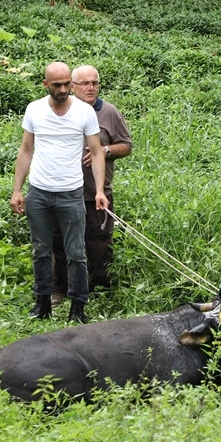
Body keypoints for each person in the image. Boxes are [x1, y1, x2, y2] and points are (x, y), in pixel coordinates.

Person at [10, 61, 108, 324]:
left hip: (71, 192)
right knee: (41, 250)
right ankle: (42, 303)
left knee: (76, 252)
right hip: (39, 192)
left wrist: (99, 190)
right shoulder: (35, 110)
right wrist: (17, 190)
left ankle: (78, 308)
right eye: (57, 85)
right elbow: (26, 149)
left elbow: (97, 152)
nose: (64, 89)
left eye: (67, 84)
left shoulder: (84, 112)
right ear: (46, 85)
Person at [50, 64, 133, 304]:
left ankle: (98, 289)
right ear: (72, 86)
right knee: (60, 241)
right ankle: (60, 288)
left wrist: (105, 150)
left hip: (96, 192)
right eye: (85, 83)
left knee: (99, 241)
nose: (91, 88)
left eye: (95, 83)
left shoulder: (109, 113)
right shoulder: (60, 110)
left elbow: (126, 145)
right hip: (64, 189)